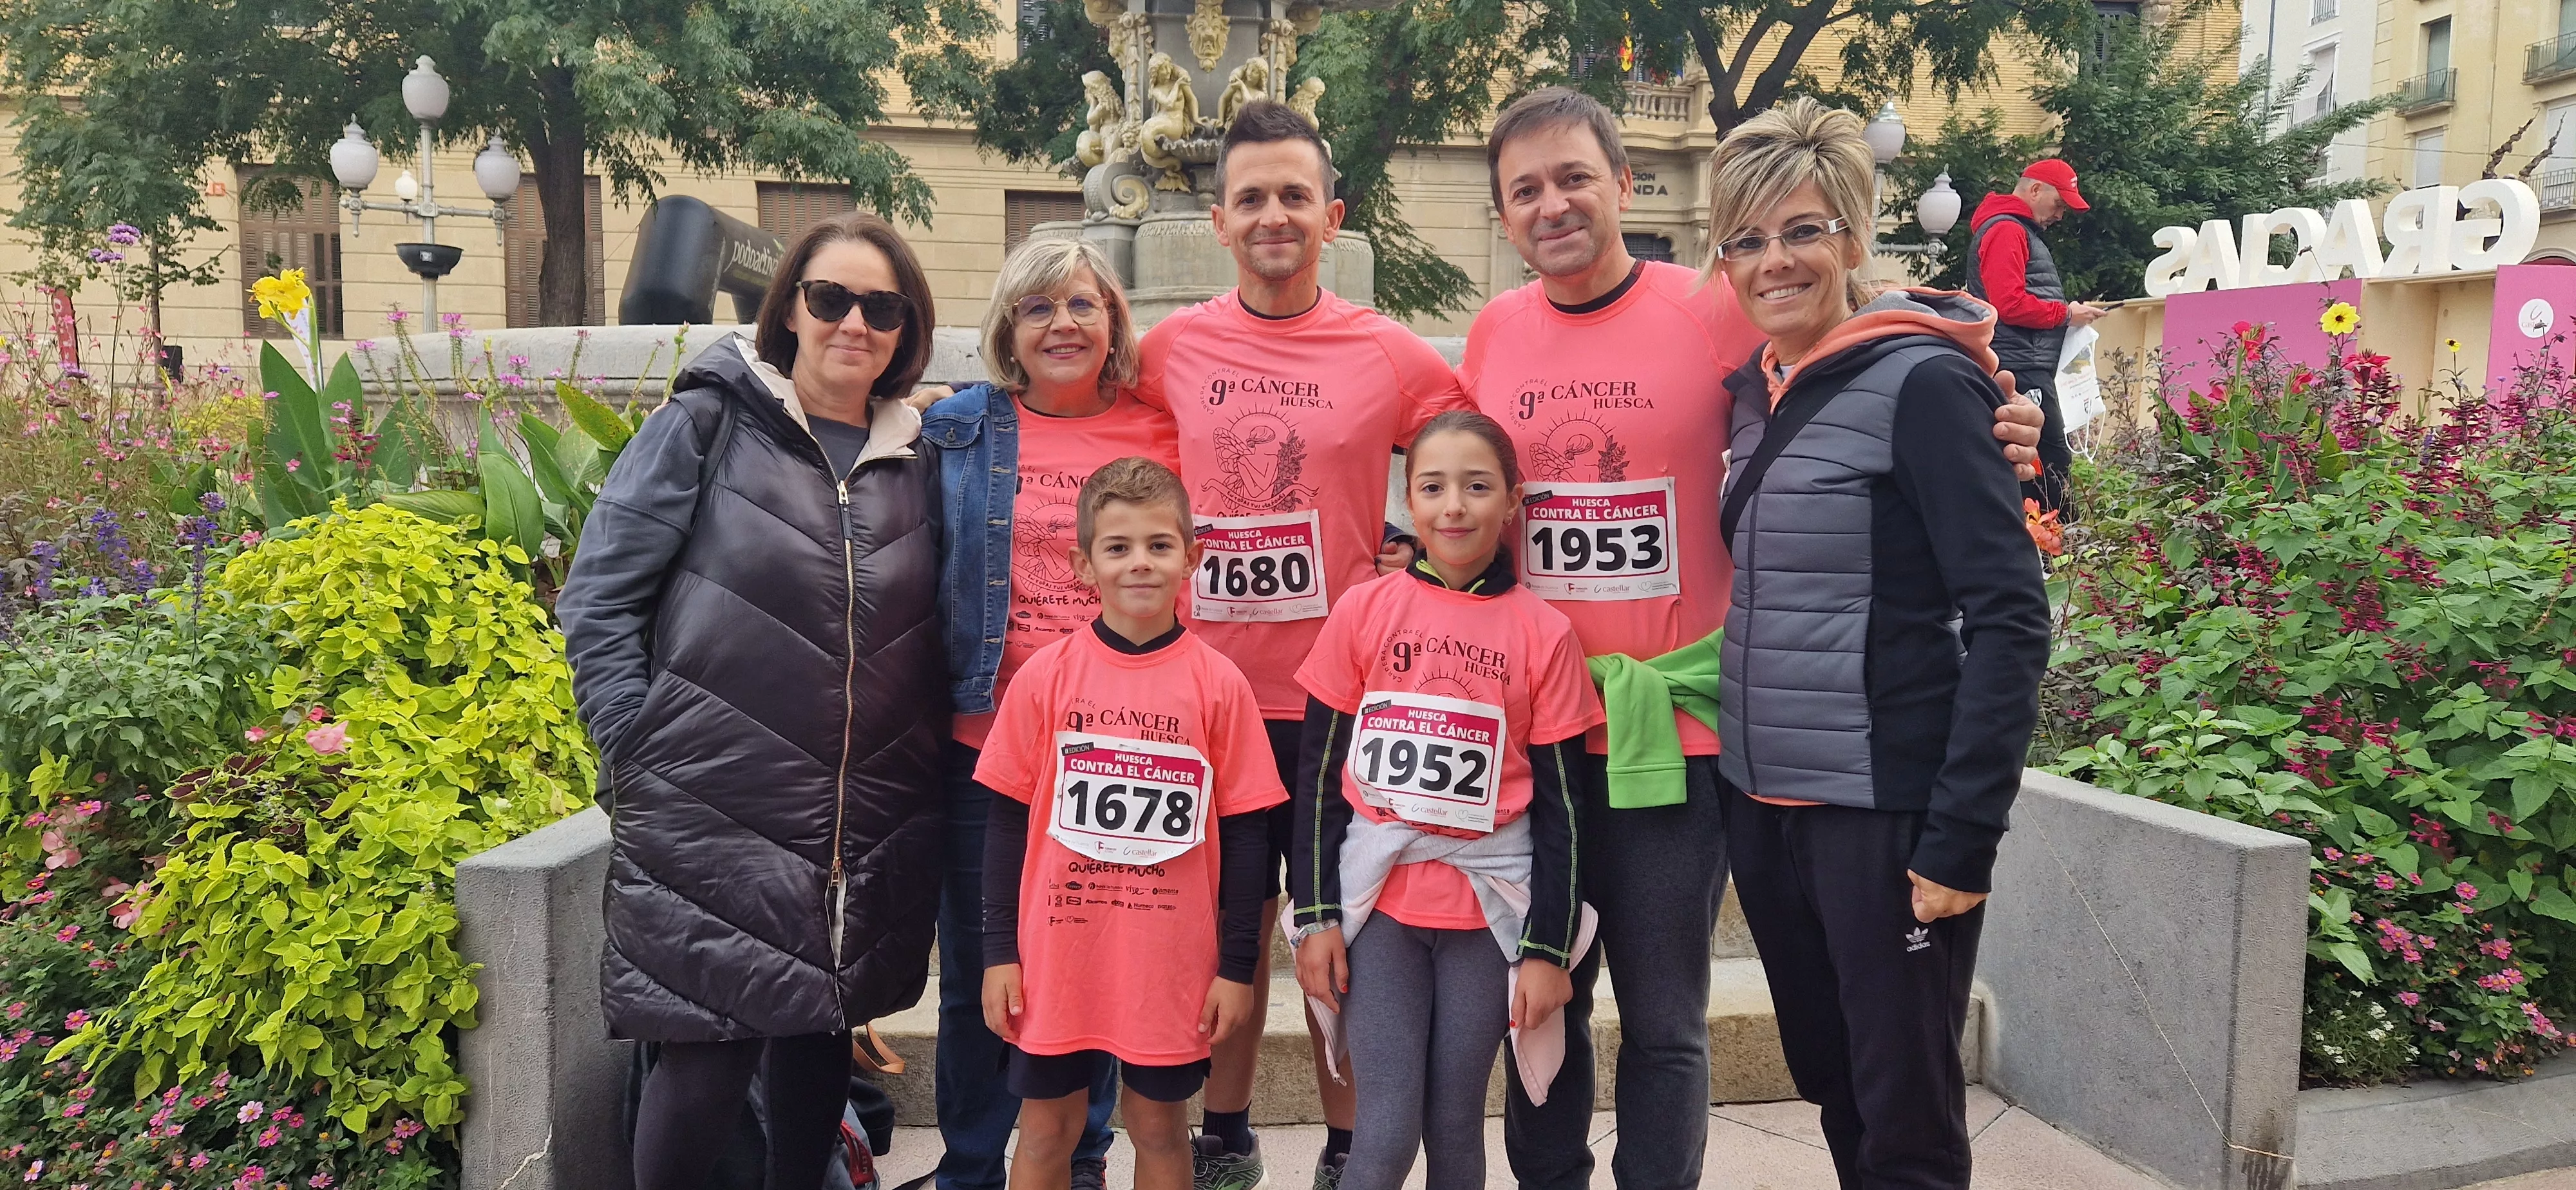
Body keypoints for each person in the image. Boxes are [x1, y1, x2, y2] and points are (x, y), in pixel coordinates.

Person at [1460, 86, 2049, 1190]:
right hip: (1557, 738)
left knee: (1676, 1027)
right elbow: (1447, 478)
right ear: (1501, 213)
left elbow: (1886, 346)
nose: (1554, 204)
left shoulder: (1719, 304)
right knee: (1547, 1011)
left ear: (1626, 185)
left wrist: (2007, 412)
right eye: (1525, 189)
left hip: (1692, 739)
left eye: (1576, 176)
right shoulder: (1493, 332)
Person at [557, 211, 947, 1190]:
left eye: (882, 306)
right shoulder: (706, 421)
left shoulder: (921, 459)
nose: (854, 322)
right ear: (791, 311)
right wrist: (634, 751)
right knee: (709, 1051)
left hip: (857, 823)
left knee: (819, 1035)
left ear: (907, 329)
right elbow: (600, 599)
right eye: (830, 298)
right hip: (712, 805)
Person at [1706, 98, 2050, 1189]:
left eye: (1803, 229)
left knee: (1906, 1119)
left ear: (1855, 239)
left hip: (1883, 811)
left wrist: (1962, 839)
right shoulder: (1756, 396)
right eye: (1748, 240)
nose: (1776, 260)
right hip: (1768, 811)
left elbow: (2011, 615)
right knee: (1839, 1084)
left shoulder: (1925, 380)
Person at [1133, 98, 1474, 1190]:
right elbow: (1071, 422)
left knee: (1340, 947)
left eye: (1293, 196)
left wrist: (1412, 575)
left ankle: (1346, 1151)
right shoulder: (1173, 347)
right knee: (1226, 941)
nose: (1273, 215)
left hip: (1341, 710)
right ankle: (1225, 1135)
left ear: (1332, 215)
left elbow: (1482, 465)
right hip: (1205, 705)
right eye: (1251, 199)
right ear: (1219, 220)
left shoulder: (1390, 353)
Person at [917, 237, 1182, 1190]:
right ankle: (975, 1170)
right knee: (975, 982)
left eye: (1081, 304)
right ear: (1008, 330)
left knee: (1099, 969)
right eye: (1037, 309)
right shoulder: (957, 430)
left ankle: (1080, 1165)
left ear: (1113, 323)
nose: (1061, 324)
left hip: (1122, 755)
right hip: (986, 749)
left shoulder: (1164, 428)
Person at [1287, 412, 1600, 1190]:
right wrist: (1317, 915)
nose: (1453, 506)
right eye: (1432, 487)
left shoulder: (1544, 632)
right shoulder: (1364, 610)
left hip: (1484, 916)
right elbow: (1320, 777)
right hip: (1380, 912)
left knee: (1457, 1130)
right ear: (1410, 501)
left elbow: (1563, 806)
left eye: (1476, 486)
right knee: (1385, 1132)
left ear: (1513, 500)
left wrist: (1547, 951)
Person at [974, 457, 1285, 1190]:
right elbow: (1005, 824)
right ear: (1084, 564)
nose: (1139, 563)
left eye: (1158, 545)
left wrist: (1237, 968)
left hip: (1167, 963)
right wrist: (997, 953)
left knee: (1157, 1127)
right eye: (1117, 548)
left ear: (1192, 557)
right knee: (1047, 1127)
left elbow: (1246, 838)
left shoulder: (1219, 685)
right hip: (1058, 958)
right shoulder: (1046, 678)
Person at [1966, 158, 2107, 514]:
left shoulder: (2009, 228)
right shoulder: (2008, 230)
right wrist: (2066, 314)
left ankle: (2053, 554)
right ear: (2035, 189)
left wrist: (2066, 314)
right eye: (2059, 204)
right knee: (2049, 465)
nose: (2060, 216)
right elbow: (2008, 303)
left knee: (2037, 465)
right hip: (2021, 365)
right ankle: (2060, 557)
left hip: (2019, 361)